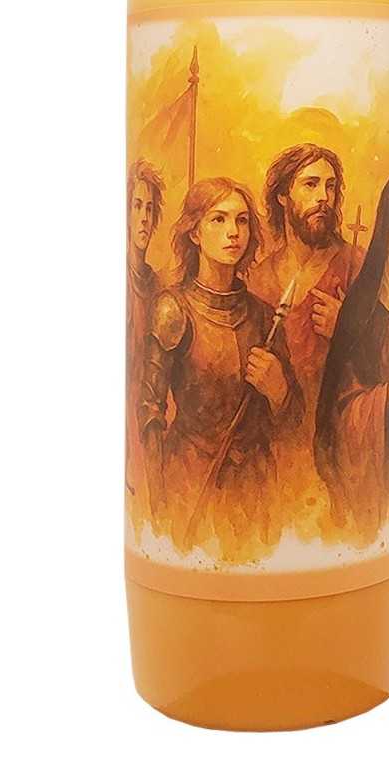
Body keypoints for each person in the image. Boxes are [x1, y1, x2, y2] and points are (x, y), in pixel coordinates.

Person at [138, 177, 302, 559]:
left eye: (242, 220)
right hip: (190, 482)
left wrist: (278, 390)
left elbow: (294, 422)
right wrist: (158, 500)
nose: (233, 232)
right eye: (219, 219)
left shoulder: (265, 317)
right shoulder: (172, 309)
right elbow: (150, 410)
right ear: (195, 232)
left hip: (255, 492)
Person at [247, 144, 363, 517]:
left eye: (330, 186)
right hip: (270, 469)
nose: (323, 197)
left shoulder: (357, 268)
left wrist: (347, 332)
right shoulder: (257, 280)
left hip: (335, 463)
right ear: (283, 195)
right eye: (310, 185)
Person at [315, 170, 389, 539]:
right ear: (387, 223)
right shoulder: (361, 308)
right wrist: (387, 394)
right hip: (375, 457)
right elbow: (339, 409)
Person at [125, 159, 164, 503]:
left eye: (149, 209)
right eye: (136, 206)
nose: (143, 218)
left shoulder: (155, 285)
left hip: (148, 410)